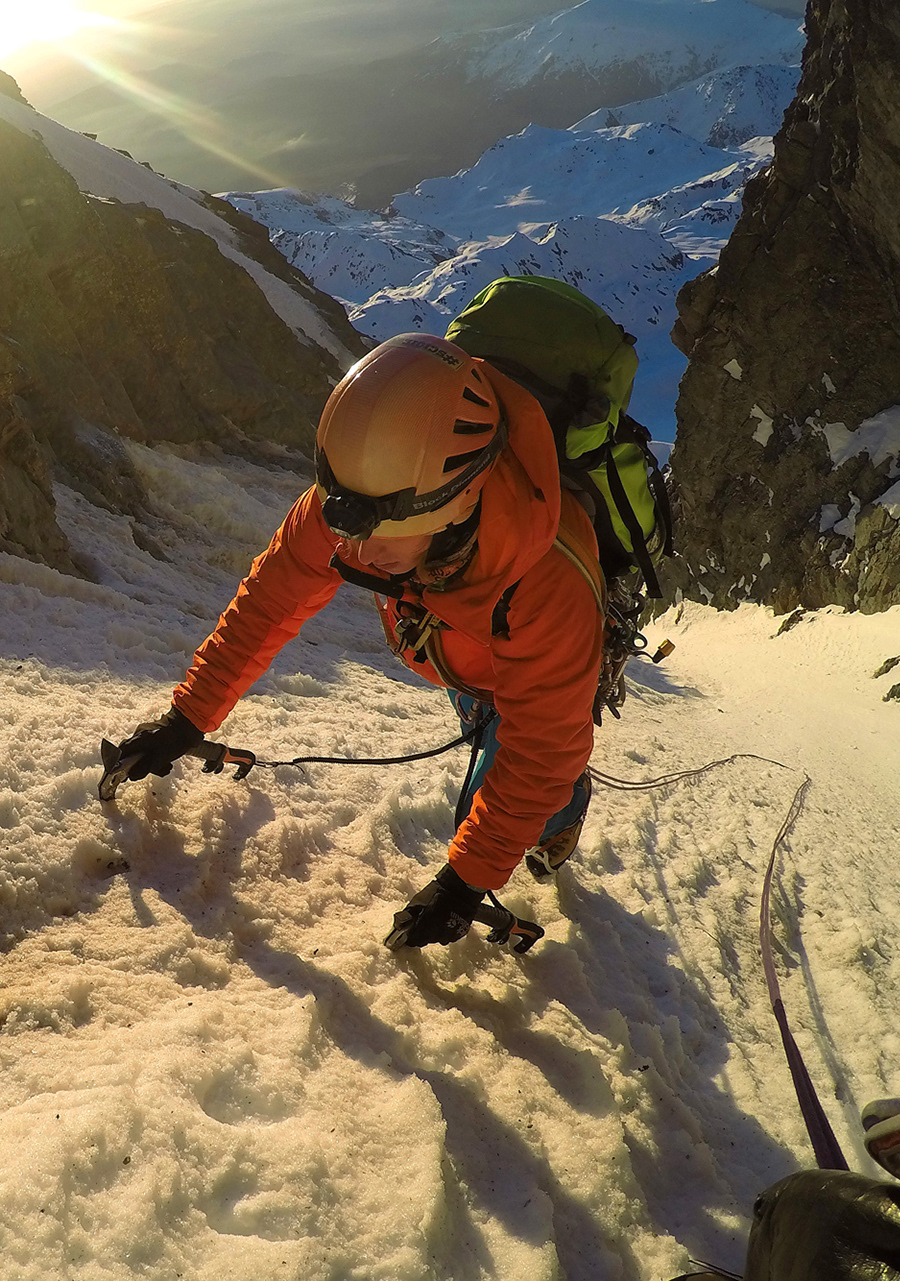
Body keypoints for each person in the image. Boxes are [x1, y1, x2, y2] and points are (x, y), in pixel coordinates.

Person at [107, 332, 606, 949]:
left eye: (385, 537)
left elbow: (543, 753)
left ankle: (567, 806)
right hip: (455, 646)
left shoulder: (550, 585)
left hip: (519, 662)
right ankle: (485, 711)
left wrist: (464, 882)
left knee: (531, 775)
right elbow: (271, 600)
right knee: (491, 727)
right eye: (346, 524)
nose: (355, 553)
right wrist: (188, 717)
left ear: (456, 508)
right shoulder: (364, 497)